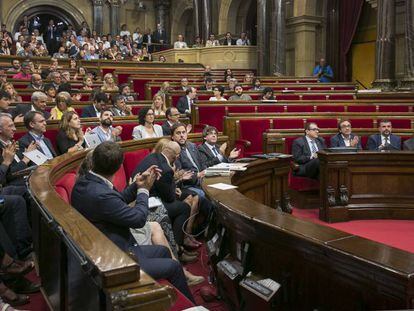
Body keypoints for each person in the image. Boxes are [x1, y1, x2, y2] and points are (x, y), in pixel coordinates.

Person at [71, 141, 194, 302]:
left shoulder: (88, 181)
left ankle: (163, 298)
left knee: (163, 251)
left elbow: (118, 201)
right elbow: (138, 219)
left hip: (109, 246)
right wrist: (144, 190)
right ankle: (189, 305)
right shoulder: (101, 193)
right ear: (119, 166)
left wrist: (137, 185)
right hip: (115, 259)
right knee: (175, 266)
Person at [132, 141, 200, 261]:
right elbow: (169, 197)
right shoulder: (166, 168)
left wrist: (173, 187)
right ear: (177, 156)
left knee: (188, 197)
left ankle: (182, 243)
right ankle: (178, 249)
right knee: (183, 208)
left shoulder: (152, 156)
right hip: (148, 202)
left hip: (142, 196)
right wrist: (174, 186)